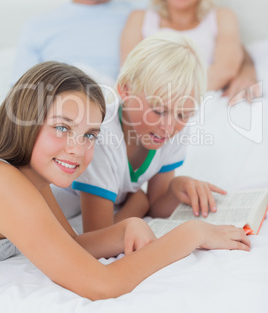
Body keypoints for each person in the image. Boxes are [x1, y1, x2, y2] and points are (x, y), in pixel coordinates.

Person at [0, 61, 251, 300]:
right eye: (63, 128)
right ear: (26, 120)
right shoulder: (6, 182)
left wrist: (126, 228)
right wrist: (192, 233)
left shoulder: (29, 179)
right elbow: (102, 284)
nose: (77, 149)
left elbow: (71, 246)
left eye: (89, 134)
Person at [71, 32, 228, 232]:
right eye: (159, 110)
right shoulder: (100, 138)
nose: (169, 127)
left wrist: (178, 187)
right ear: (126, 89)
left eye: (183, 115)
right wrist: (139, 203)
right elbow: (97, 235)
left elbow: (157, 205)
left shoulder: (175, 132)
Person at [120, 0, 259, 100]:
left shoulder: (222, 17)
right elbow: (129, 73)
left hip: (205, 103)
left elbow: (226, 69)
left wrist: (176, 98)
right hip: (153, 106)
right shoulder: (139, 19)